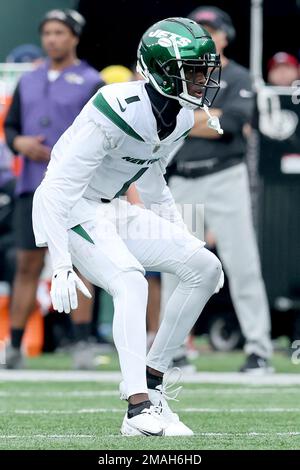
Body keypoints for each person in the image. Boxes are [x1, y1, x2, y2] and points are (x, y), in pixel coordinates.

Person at [32, 17, 224, 437]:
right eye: (193, 70)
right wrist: (60, 260)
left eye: (205, 69)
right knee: (131, 282)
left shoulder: (183, 118)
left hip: (112, 207)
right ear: (159, 71)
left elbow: (153, 182)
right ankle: (136, 409)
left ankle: (153, 383)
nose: (203, 78)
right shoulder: (116, 106)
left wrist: (181, 236)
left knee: (206, 268)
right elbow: (56, 188)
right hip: (72, 207)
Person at [162, 6, 273, 374]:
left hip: (225, 176)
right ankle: (171, 351)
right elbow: (164, 122)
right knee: (176, 267)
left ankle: (259, 349)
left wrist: (185, 121)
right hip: (182, 178)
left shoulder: (239, 75)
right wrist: (206, 120)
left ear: (225, 36)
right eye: (198, 30)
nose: (204, 36)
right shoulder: (175, 76)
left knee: (242, 264)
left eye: (210, 30)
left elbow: (233, 122)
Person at [3, 9, 103, 369]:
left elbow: (102, 134)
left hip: (76, 191)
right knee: (26, 266)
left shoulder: (93, 81)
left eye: (59, 32)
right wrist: (21, 144)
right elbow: (11, 129)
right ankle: (13, 346)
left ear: (74, 36)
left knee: (81, 265)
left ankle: (81, 345)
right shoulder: (27, 81)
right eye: (47, 33)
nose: (52, 39)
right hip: (31, 187)